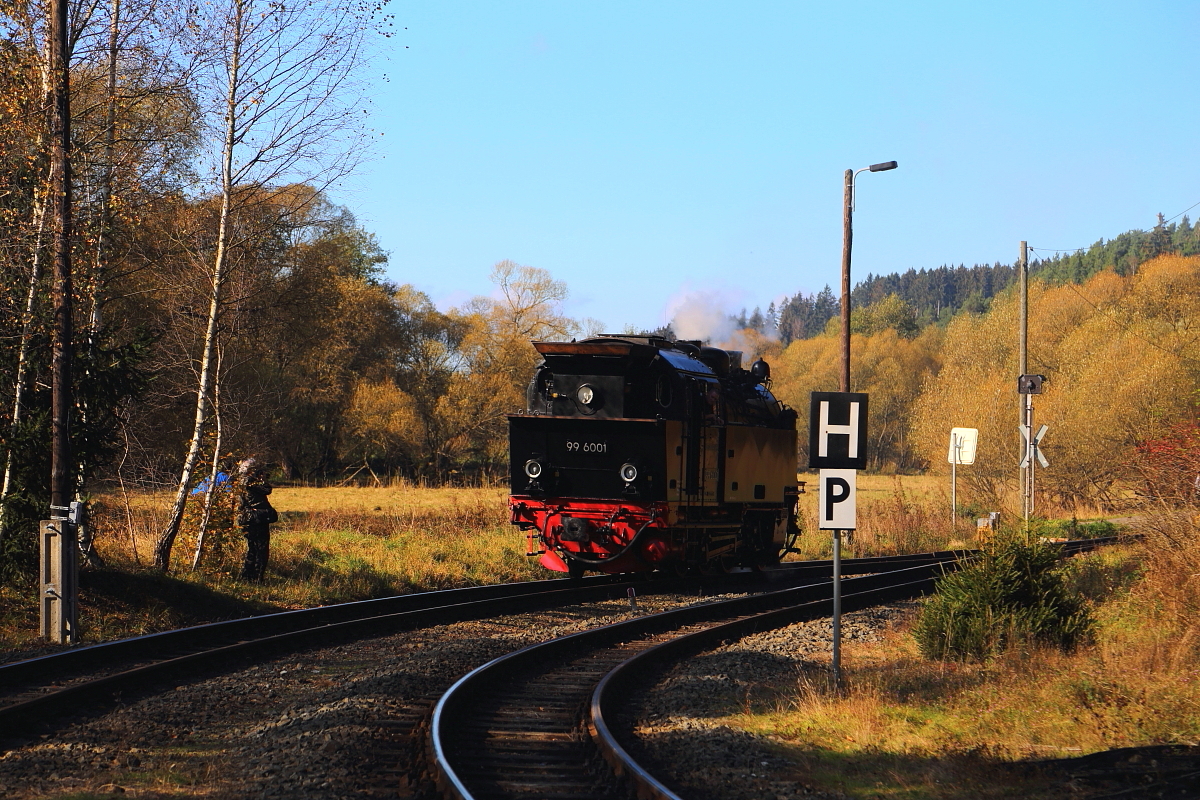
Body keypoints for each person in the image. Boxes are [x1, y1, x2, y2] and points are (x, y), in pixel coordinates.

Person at [237, 458, 277, 581]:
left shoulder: (240, 482)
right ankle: (257, 577)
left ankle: (247, 576)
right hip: (257, 519)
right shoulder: (251, 482)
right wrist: (263, 479)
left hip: (246, 519)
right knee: (261, 549)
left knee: (252, 548)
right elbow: (267, 489)